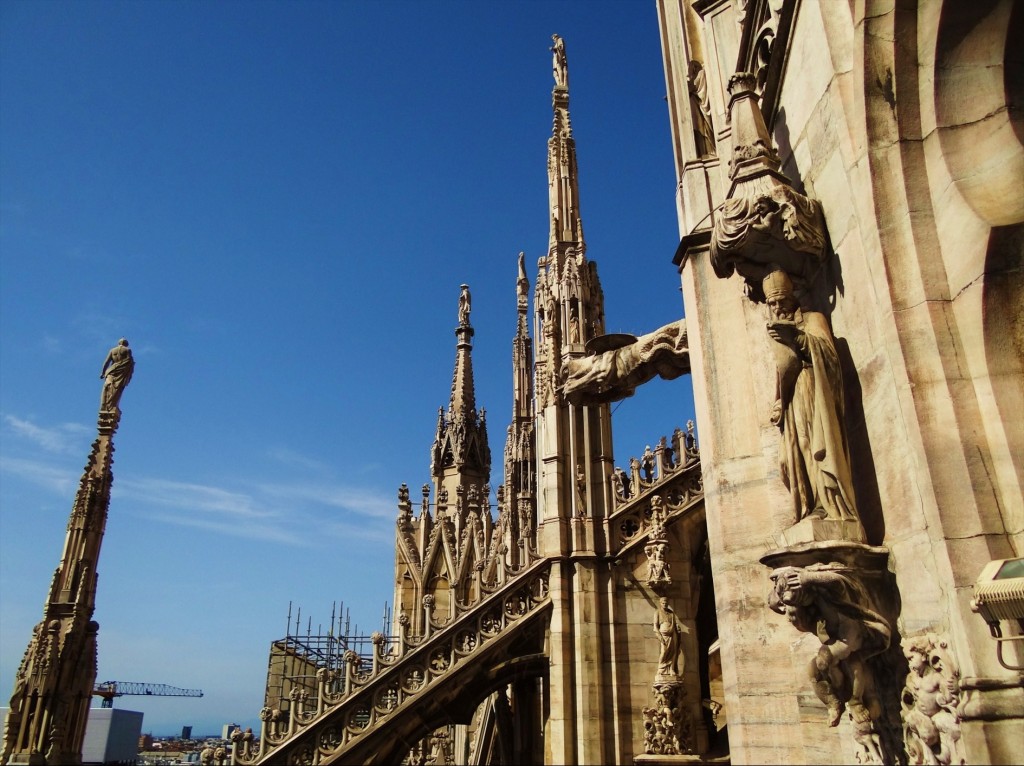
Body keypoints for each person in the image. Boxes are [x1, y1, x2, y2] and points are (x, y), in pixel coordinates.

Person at [763, 270, 859, 525]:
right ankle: (807, 506)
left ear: (792, 298)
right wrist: (777, 402)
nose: (777, 307)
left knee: (814, 444)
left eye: (781, 301)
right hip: (792, 397)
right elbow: (781, 370)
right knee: (788, 457)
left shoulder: (813, 319)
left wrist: (797, 338)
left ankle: (827, 504)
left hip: (813, 388)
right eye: (772, 303)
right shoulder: (777, 330)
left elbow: (829, 356)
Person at [654, 597, 689, 679]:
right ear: (660, 603)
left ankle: (671, 669)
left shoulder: (671, 613)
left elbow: (674, 623)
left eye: (666, 603)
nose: (665, 605)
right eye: (663, 603)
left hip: (672, 634)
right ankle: (661, 669)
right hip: (664, 635)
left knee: (673, 652)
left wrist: (677, 629)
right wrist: (659, 635)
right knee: (664, 651)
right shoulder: (657, 612)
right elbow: (656, 626)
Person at [99, 338, 134, 412]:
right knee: (117, 389)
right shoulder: (127, 350)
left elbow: (106, 362)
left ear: (119, 343)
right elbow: (129, 362)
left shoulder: (112, 350)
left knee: (107, 387)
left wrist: (103, 372)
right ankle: (112, 405)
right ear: (126, 344)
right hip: (120, 373)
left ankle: (104, 405)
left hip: (111, 371)